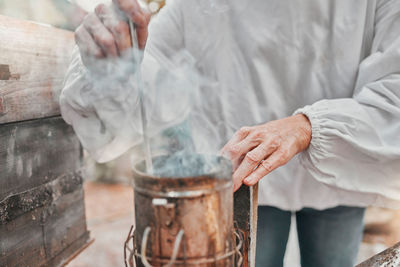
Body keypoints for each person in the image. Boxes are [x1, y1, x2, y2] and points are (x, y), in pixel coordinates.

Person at [60, 0, 400, 266]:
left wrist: (308, 127)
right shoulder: (195, 6)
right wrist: (111, 61)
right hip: (242, 179)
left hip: (339, 170)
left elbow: (394, 89)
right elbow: (144, 83)